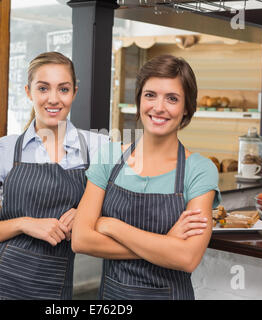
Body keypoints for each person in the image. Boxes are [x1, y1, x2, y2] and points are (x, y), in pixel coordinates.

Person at [72, 54, 221, 300]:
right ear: (139, 99)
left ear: (186, 108)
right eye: (150, 95)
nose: (159, 107)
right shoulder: (109, 156)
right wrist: (165, 244)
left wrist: (111, 225)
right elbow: (81, 240)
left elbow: (186, 258)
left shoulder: (200, 170)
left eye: (172, 99)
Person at [0, 52, 109, 300]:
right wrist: (24, 223)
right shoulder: (4, 149)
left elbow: (120, 207)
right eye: (43, 88)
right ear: (29, 92)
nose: (53, 99)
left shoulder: (98, 147)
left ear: (74, 92)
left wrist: (86, 212)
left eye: (63, 89)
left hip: (54, 282)